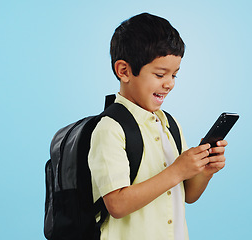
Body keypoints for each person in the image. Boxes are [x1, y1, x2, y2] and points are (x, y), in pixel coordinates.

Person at [88, 12, 228, 240]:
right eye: (160, 74)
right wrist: (178, 170)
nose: (169, 83)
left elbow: (188, 195)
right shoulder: (110, 128)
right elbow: (117, 204)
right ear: (124, 71)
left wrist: (205, 170)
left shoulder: (169, 124)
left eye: (175, 75)